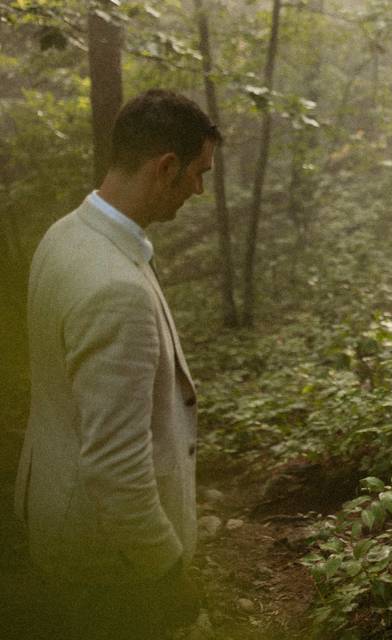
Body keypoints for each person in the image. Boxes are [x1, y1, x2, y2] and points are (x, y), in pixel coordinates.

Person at [13, 89, 219, 639]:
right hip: (109, 564)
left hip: (59, 518)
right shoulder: (114, 288)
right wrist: (165, 567)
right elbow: (115, 465)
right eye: (198, 173)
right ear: (165, 167)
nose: (199, 190)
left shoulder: (65, 235)